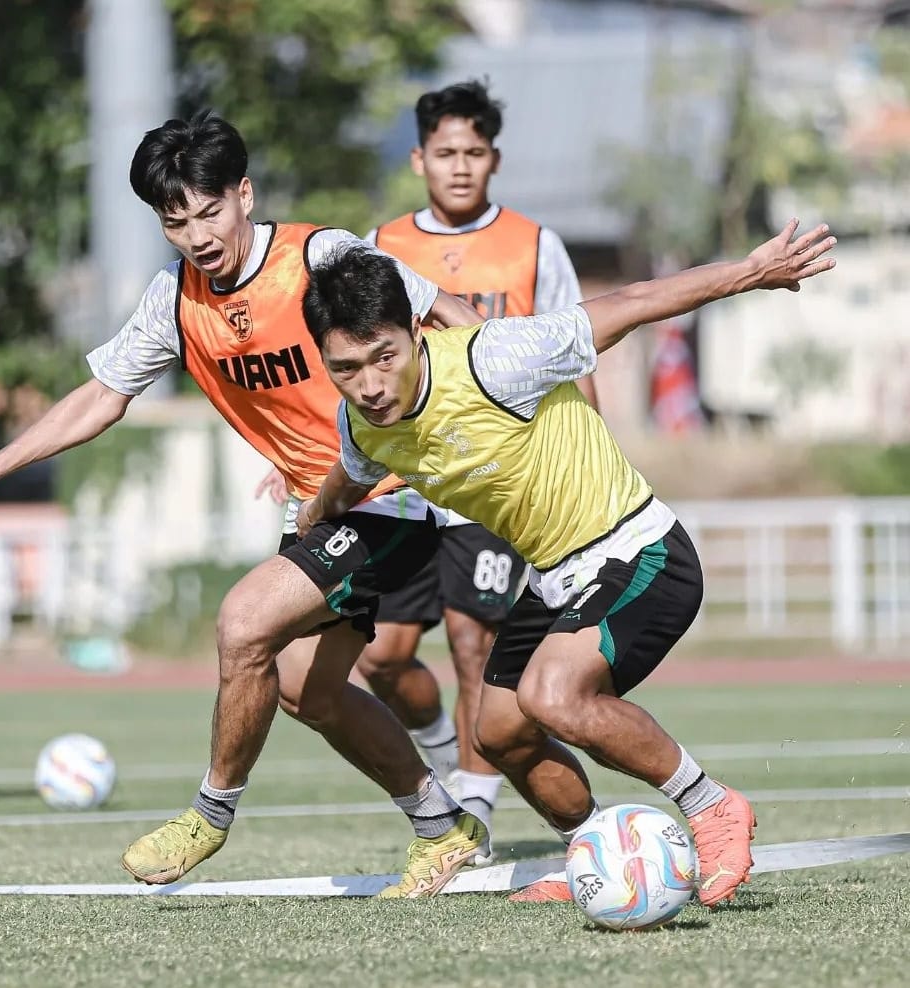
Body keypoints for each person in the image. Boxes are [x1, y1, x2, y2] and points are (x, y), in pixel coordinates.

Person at [0, 111, 497, 898]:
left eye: (210, 210)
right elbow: (102, 396)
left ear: (245, 194)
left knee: (242, 621)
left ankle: (211, 814)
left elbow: (446, 315)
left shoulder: (323, 256)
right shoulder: (174, 302)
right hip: (320, 511)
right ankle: (443, 825)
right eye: (174, 219)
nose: (196, 234)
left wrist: (513, 394)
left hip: (399, 494)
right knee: (305, 690)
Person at [295, 219, 837, 906]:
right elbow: (350, 474)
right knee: (497, 732)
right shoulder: (362, 421)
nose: (370, 383)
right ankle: (596, 851)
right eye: (345, 368)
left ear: (414, 330)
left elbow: (636, 300)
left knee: (553, 696)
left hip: (639, 550)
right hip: (556, 578)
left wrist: (751, 272)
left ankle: (711, 805)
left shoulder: (495, 359)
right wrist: (312, 518)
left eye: (383, 356)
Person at [357, 79, 599, 861]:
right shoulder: (381, 245)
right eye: (444, 153)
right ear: (420, 157)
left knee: (472, 641)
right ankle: (439, 740)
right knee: (383, 657)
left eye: (474, 152)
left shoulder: (536, 245)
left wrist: (589, 450)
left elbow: (575, 353)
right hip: (406, 481)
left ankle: (476, 809)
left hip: (495, 480)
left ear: (494, 158)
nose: (459, 167)